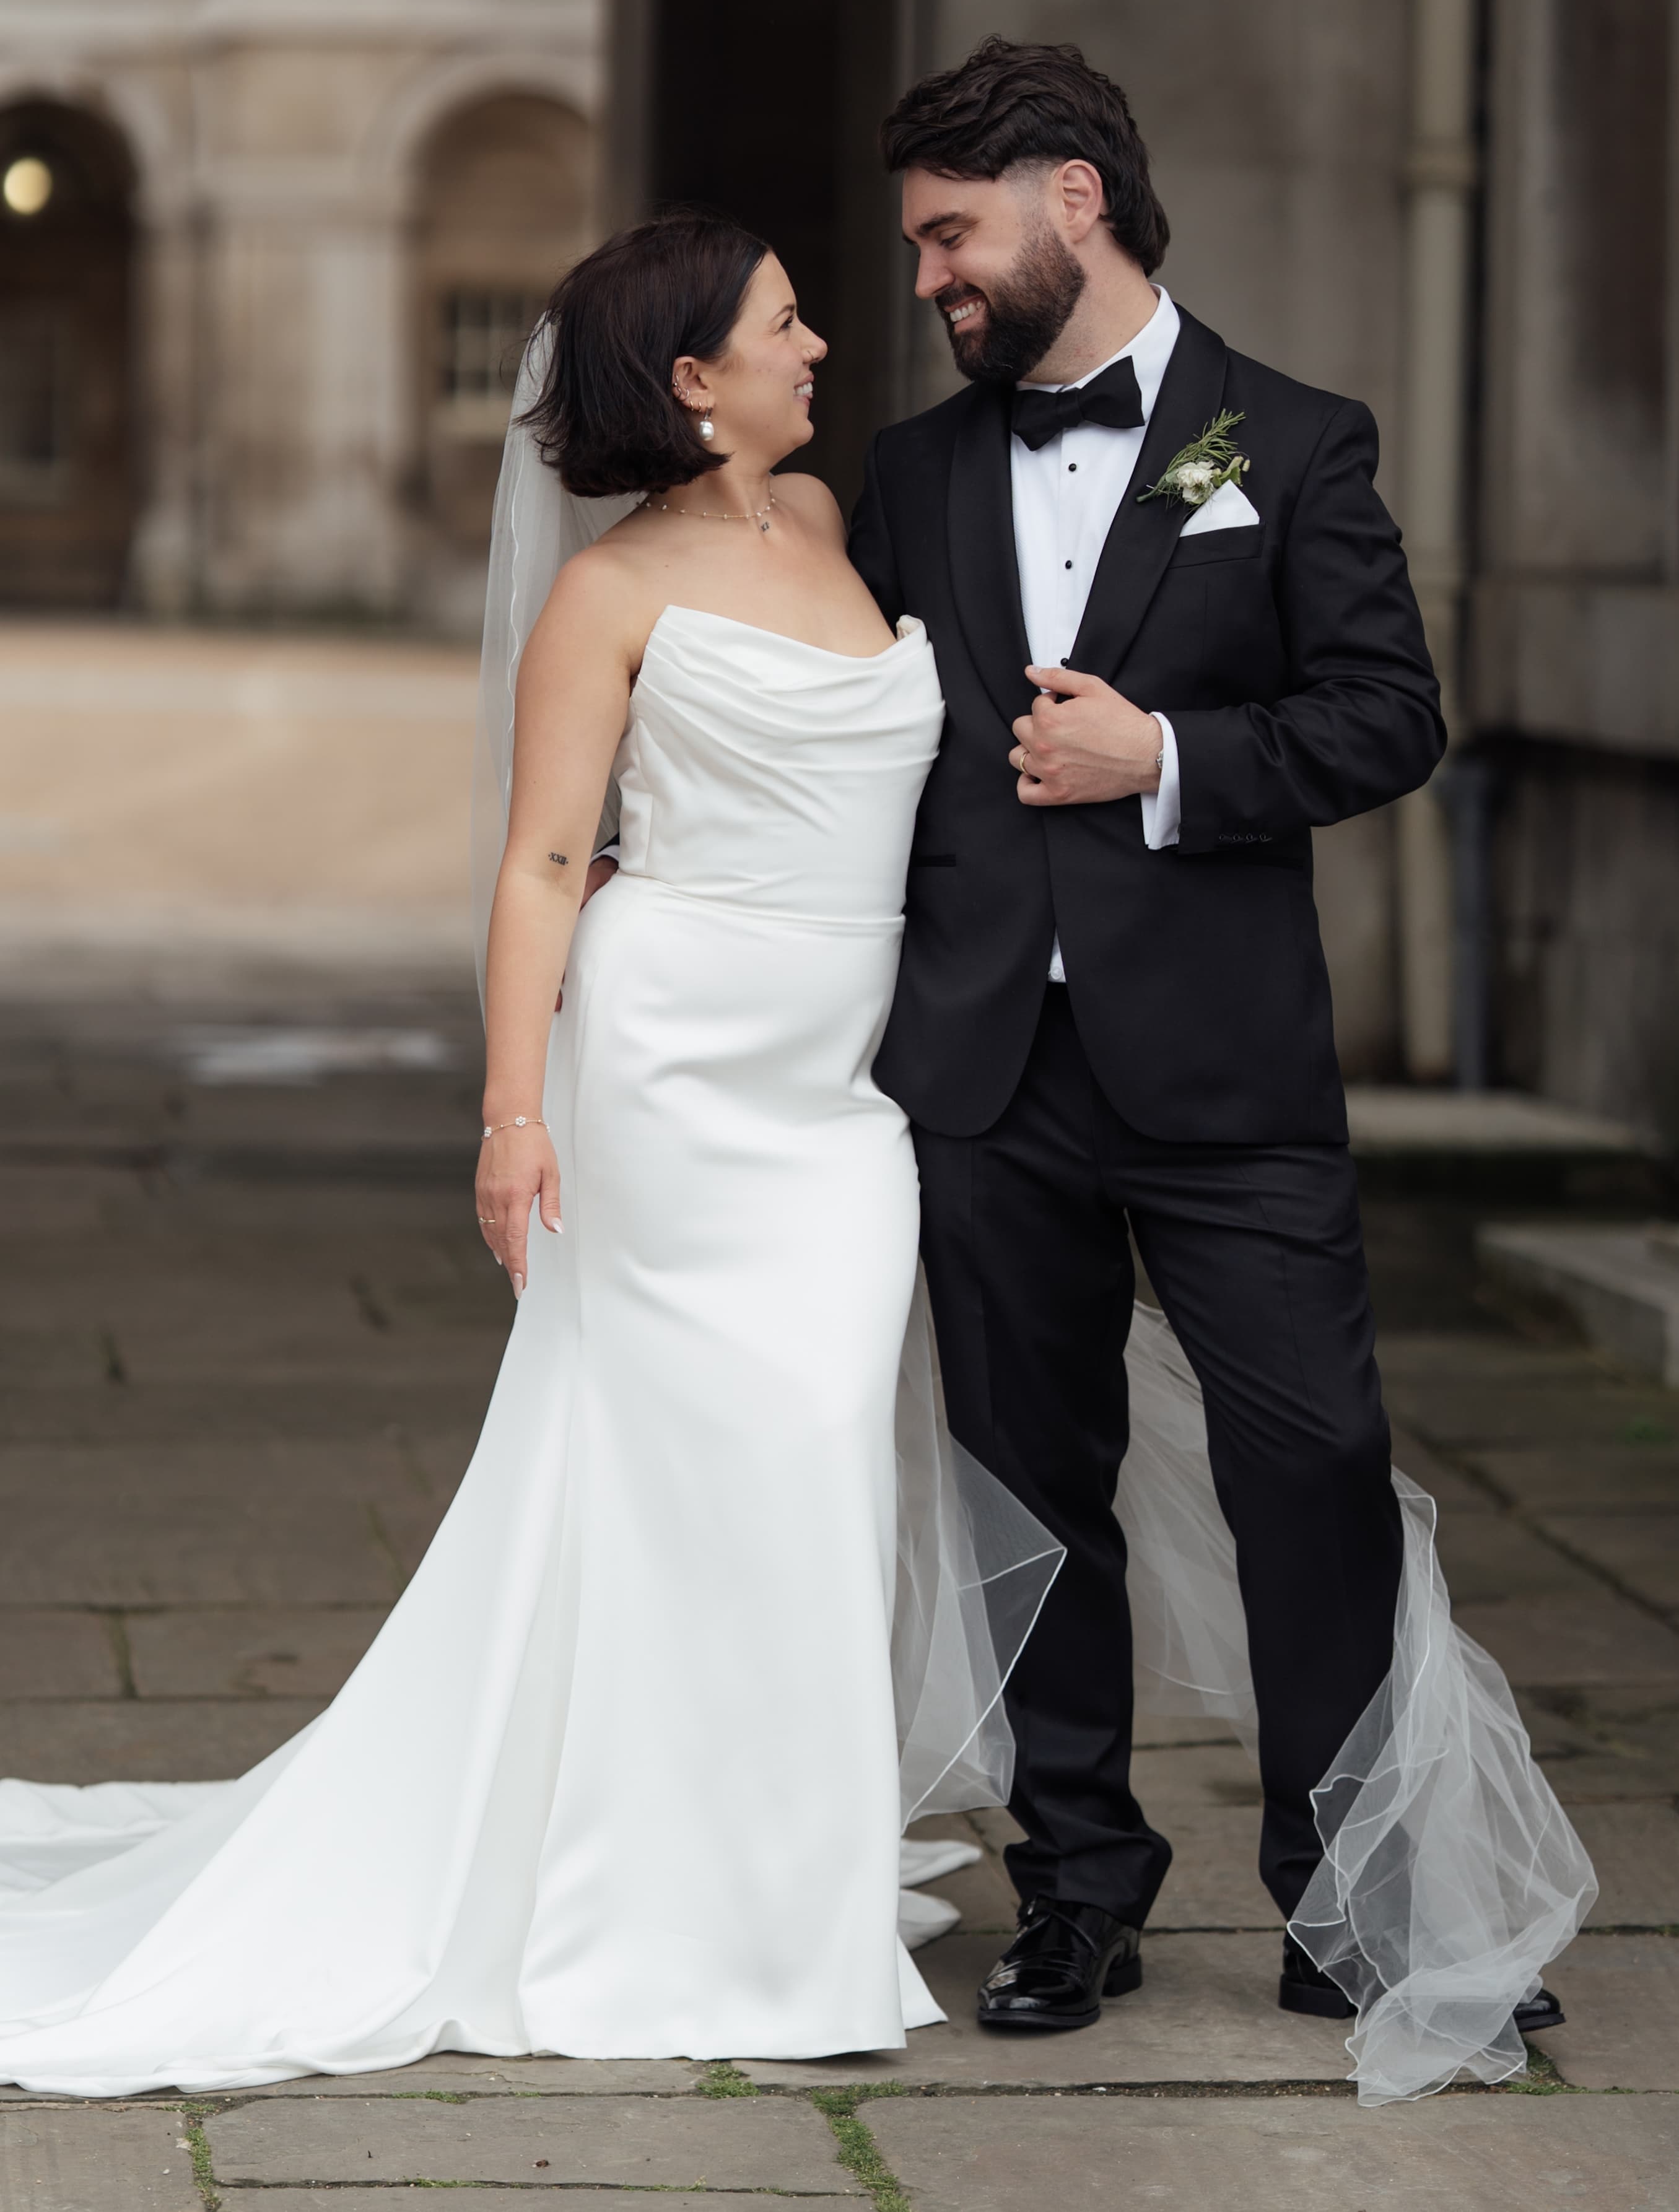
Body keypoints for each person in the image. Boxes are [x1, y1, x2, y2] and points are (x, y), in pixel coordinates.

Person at [0, 209, 1055, 2092]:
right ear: (691, 380)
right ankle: (673, 1902)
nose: (823, 348)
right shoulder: (607, 599)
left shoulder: (824, 529)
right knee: (688, 1467)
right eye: (787, 327)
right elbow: (544, 861)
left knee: (821, 1460)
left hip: (839, 1098)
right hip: (666, 1075)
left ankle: (779, 1874)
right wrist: (509, 1114)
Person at [847, 37, 1590, 2063]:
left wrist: (1164, 755)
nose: (931, 279)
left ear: (1072, 195)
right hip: (985, 1068)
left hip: (1233, 1077)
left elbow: (1387, 715)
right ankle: (1075, 1881)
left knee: (1317, 1468)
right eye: (921, 246)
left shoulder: (1301, 438)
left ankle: (1352, 1899)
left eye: (951, 234)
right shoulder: (907, 481)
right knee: (1026, 1482)